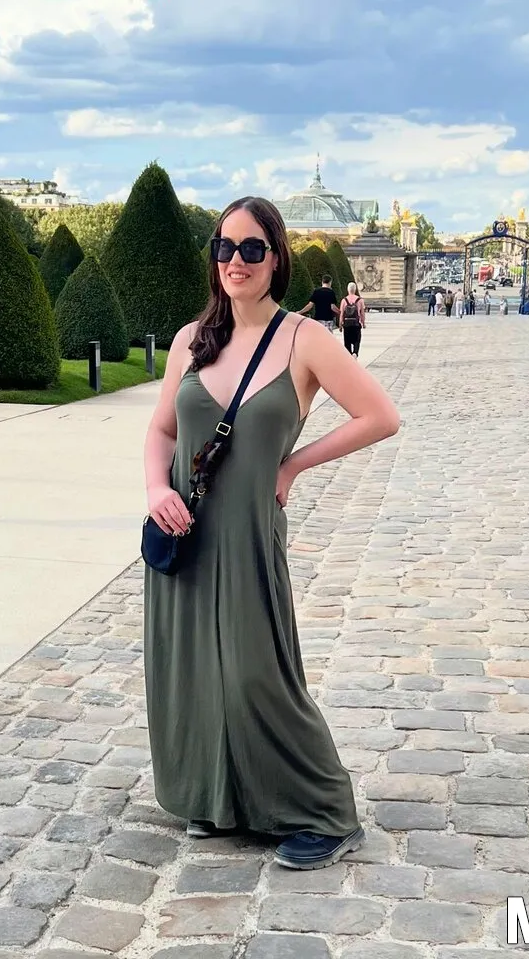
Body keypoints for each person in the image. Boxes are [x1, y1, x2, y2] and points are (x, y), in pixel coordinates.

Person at [142, 196, 400, 870]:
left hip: (250, 532)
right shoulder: (192, 338)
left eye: (252, 248)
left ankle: (328, 812)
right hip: (184, 529)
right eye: (224, 248)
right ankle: (217, 798)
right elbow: (162, 430)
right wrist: (156, 489)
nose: (236, 261)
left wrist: (294, 464)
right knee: (195, 669)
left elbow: (380, 416)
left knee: (259, 673)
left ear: (276, 257)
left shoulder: (304, 338)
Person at [339, 281, 365, 357]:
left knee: (347, 341)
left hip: (347, 324)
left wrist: (340, 325)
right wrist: (363, 323)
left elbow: (341, 314)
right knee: (357, 340)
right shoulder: (360, 300)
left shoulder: (344, 300)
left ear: (348, 290)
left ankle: (349, 355)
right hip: (356, 323)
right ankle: (355, 353)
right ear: (355, 289)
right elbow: (362, 313)